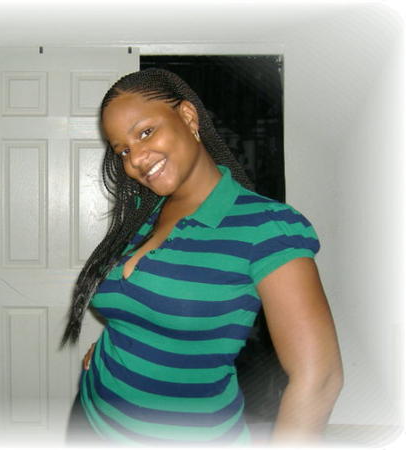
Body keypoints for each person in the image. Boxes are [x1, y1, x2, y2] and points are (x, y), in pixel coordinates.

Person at [61, 68, 343, 446]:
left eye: (146, 132)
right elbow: (144, 308)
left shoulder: (266, 226)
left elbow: (320, 379)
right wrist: (122, 342)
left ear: (188, 117)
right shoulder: (146, 215)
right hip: (90, 417)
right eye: (123, 150)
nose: (137, 159)